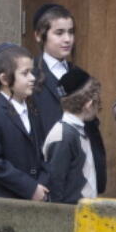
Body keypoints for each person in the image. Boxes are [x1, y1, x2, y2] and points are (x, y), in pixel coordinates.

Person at [31, 4, 107, 194]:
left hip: (81, 177)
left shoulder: (79, 75)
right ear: (40, 35)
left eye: (71, 32)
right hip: (47, 179)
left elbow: (91, 128)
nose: (67, 39)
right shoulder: (30, 76)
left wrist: (98, 172)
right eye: (59, 33)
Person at [0, 44, 49, 201]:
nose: (32, 78)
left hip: (34, 203)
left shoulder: (33, 111)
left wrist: (41, 185)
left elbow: (42, 154)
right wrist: (30, 188)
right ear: (5, 79)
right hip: (3, 205)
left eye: (32, 72)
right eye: (25, 73)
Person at [42, 67, 102, 204]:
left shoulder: (78, 129)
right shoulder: (64, 136)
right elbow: (55, 186)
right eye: (97, 103)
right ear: (89, 104)